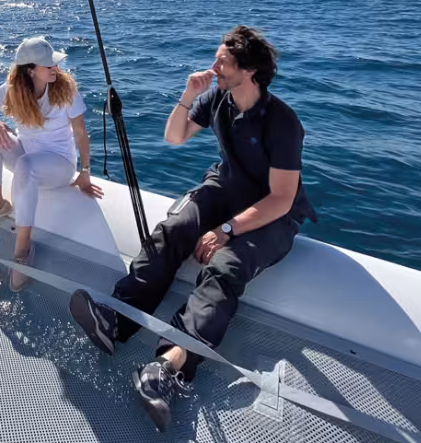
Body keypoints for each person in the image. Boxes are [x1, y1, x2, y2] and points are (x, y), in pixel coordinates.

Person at [69, 25, 316, 431]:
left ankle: (169, 366)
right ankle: (116, 321)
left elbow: (282, 198)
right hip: (225, 188)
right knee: (173, 229)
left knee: (225, 267)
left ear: (250, 71)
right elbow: (174, 136)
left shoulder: (282, 122)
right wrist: (188, 95)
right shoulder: (218, 97)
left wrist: (227, 230)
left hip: (272, 213)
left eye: (223, 62)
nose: (213, 67)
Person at [0, 35, 103, 291]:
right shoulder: (11, 90)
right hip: (26, 157)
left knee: (26, 164)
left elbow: (80, 133)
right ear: (30, 70)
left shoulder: (66, 90)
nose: (55, 68)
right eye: (48, 65)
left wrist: (85, 172)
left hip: (59, 165)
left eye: (55, 63)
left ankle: (22, 250)